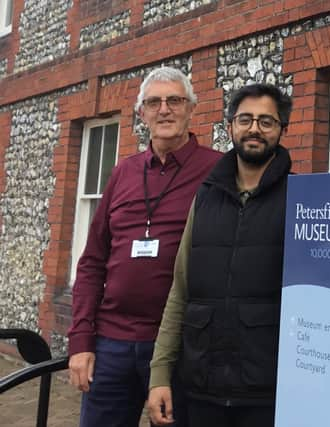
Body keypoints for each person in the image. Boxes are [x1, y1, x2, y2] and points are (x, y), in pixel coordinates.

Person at [68, 66, 223, 427]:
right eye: (154, 102)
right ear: (142, 113)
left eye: (174, 100)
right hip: (111, 343)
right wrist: (80, 340)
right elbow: (92, 261)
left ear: (191, 108)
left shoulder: (218, 171)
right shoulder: (123, 172)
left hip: (179, 347)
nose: (164, 109)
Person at [147, 83, 292, 427]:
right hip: (201, 387)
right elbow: (179, 292)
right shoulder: (205, 198)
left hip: (267, 393)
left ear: (281, 130)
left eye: (266, 121)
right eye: (245, 119)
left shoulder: (300, 199)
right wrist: (159, 376)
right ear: (230, 126)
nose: (254, 128)